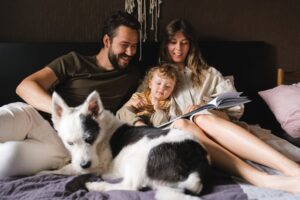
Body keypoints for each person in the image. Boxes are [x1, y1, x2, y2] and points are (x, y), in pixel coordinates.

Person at [159, 18, 300, 193]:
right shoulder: (156, 77)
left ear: (191, 45)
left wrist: (207, 107)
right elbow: (132, 111)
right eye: (173, 42)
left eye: (184, 43)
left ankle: (294, 170)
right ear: (165, 44)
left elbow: (236, 107)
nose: (178, 49)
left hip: (215, 124)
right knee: (183, 124)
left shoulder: (209, 74)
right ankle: (260, 178)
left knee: (201, 117)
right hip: (183, 134)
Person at [0, 11, 141, 178]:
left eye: (135, 46)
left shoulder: (132, 76)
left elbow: (148, 98)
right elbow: (25, 87)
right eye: (125, 45)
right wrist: (66, 114)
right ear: (107, 41)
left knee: (6, 162)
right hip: (33, 117)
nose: (131, 52)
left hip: (62, 145)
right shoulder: (75, 61)